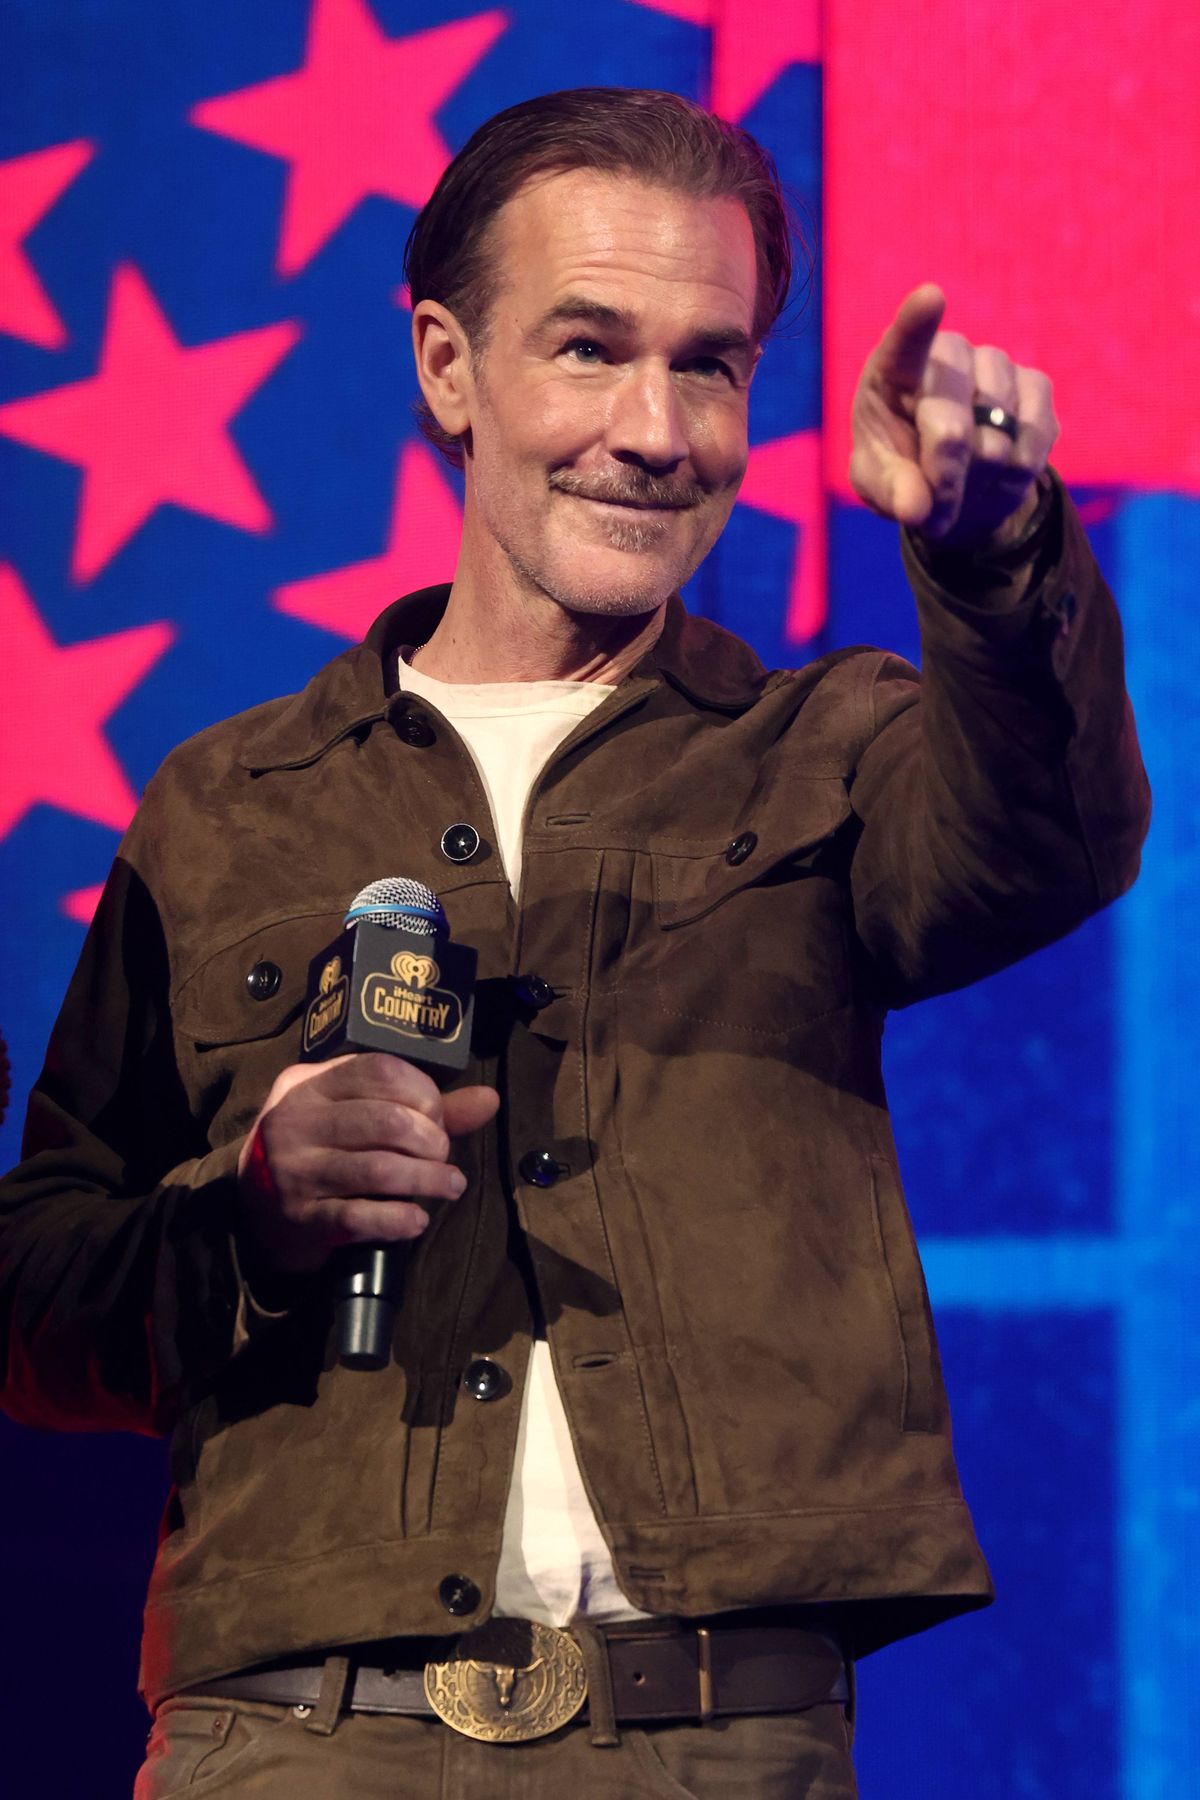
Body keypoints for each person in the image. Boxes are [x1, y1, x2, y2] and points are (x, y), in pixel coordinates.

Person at [0, 87, 1149, 1798]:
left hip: (717, 1742)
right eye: (591, 348)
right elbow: (37, 1299)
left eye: (711, 363)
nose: (658, 427)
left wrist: (992, 558)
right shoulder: (229, 805)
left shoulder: (827, 748)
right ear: (449, 369)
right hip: (300, 1740)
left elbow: (1048, 843)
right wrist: (251, 1216)